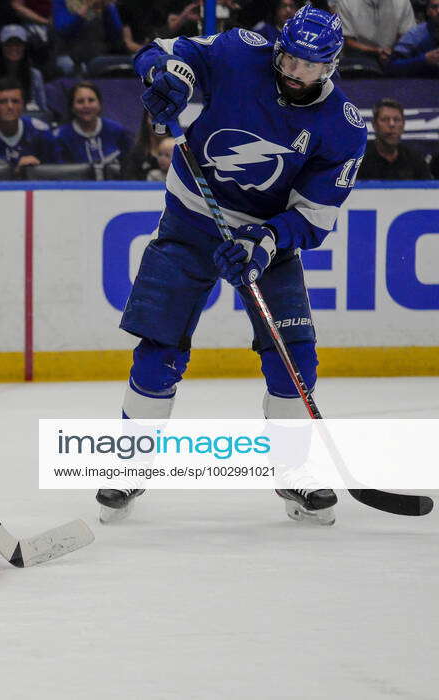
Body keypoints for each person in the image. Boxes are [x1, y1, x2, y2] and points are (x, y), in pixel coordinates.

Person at [97, 7, 366, 524]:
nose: (292, 72)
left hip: (267, 238)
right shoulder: (241, 51)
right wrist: (163, 76)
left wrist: (262, 243)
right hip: (191, 217)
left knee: (295, 359)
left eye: (307, 68)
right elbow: (164, 51)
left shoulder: (344, 129)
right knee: (159, 348)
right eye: (287, 58)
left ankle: (293, 472)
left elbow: (313, 217)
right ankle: (130, 465)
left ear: (330, 67)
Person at [51, 81, 130, 179]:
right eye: (80, 101)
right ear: (72, 107)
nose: (86, 106)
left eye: (91, 100)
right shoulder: (60, 137)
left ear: (100, 104)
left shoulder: (118, 131)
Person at [357, 98, 431, 180]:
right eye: (385, 119)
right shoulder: (359, 160)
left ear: (403, 125)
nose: (392, 124)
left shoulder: (415, 160)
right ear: (374, 125)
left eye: (397, 120)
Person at [332, 0, 416, 62]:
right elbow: (347, 41)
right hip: (358, 57)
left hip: (394, 55)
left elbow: (406, 35)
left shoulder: (402, 2)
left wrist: (392, 52)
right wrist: (377, 51)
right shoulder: (345, 2)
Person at [0, 24, 46, 112]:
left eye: (18, 44)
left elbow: (43, 109)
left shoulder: (35, 75)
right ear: (1, 47)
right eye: (8, 44)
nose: (13, 48)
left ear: (25, 47)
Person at [388, 0, 439, 76]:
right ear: (427, 11)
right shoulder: (415, 35)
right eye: (434, 7)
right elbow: (392, 67)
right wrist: (423, 60)